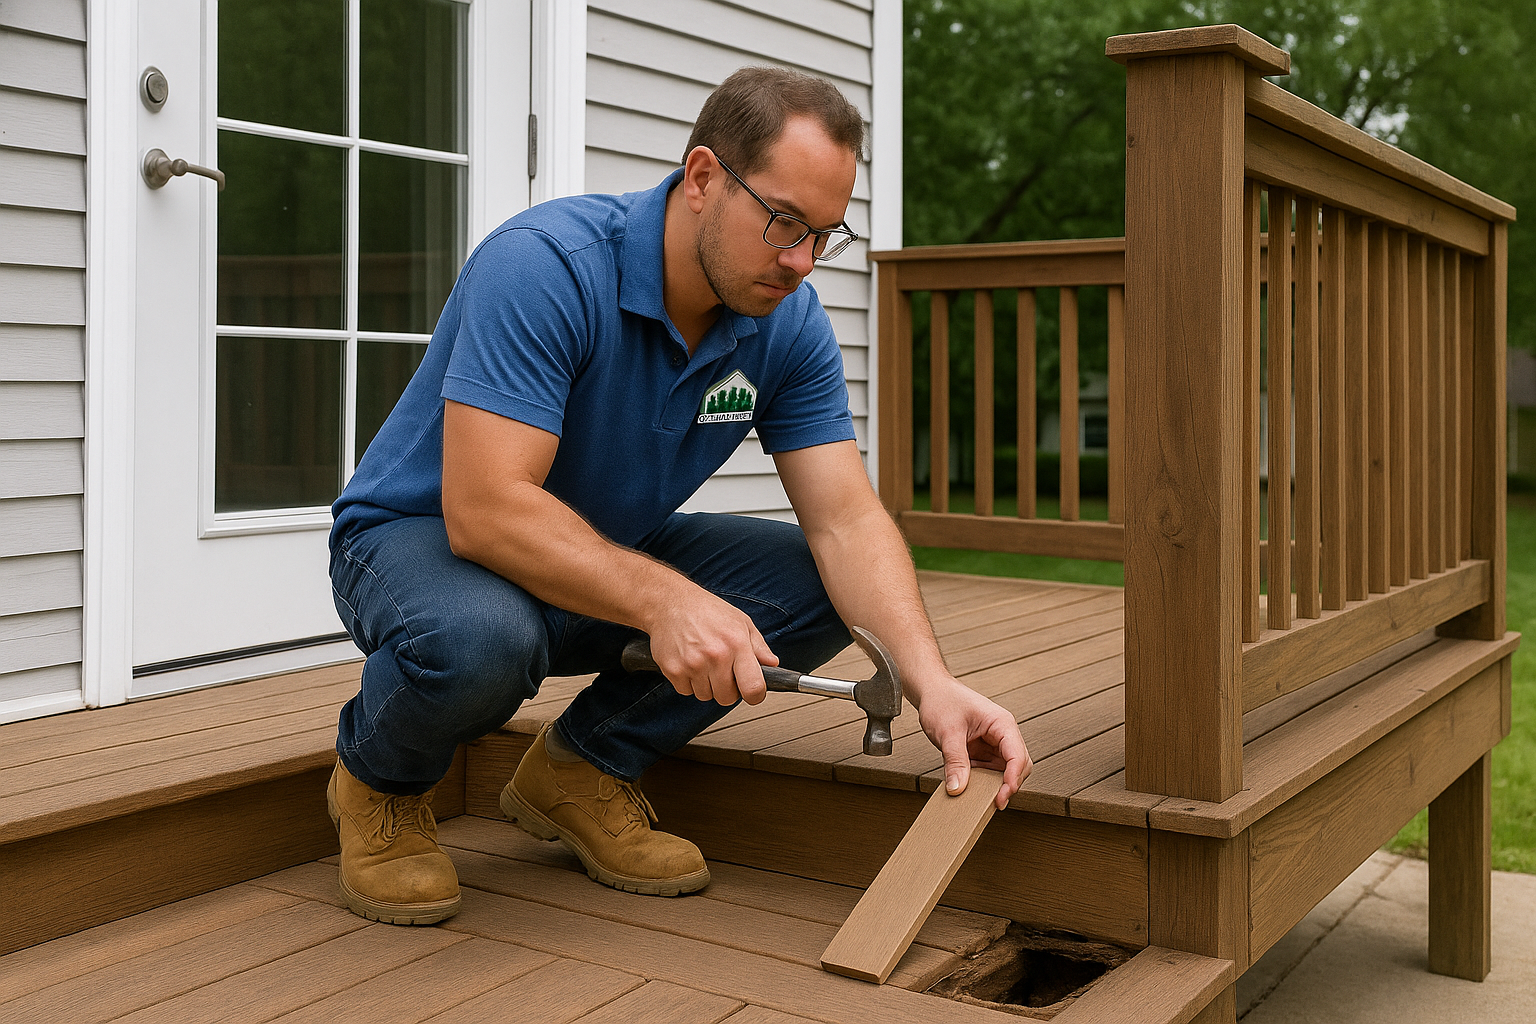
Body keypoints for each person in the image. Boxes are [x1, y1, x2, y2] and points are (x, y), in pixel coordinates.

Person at [325, 66, 1032, 926]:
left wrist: (931, 684)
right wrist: (665, 600)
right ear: (702, 178)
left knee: (818, 584)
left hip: (599, 549)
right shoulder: (545, 266)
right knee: (480, 639)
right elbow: (487, 511)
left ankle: (580, 769)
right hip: (421, 540)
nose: (801, 262)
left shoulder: (786, 323)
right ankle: (380, 784)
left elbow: (846, 521)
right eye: (782, 222)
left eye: (823, 234)